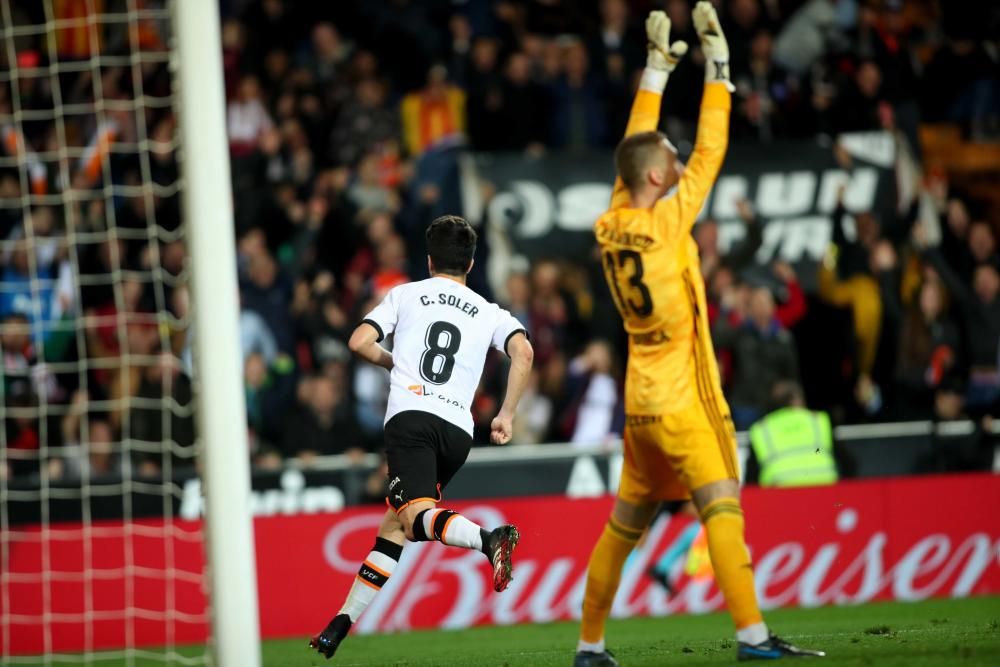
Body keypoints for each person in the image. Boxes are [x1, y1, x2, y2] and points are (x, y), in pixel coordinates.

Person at [575, 6, 823, 665]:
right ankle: (752, 637)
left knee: (623, 525)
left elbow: (632, 152)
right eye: (670, 160)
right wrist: (720, 72)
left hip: (638, 401)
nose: (680, 163)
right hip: (685, 394)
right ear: (658, 179)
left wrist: (655, 73)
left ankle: (589, 646)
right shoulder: (668, 222)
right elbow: (712, 148)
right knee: (721, 505)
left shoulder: (612, 221)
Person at [310, 215, 534, 659]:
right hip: (458, 432)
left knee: (414, 517)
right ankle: (341, 623)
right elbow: (523, 351)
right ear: (469, 263)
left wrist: (395, 363)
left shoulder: (405, 294)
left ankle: (489, 540)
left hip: (412, 419)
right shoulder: (489, 311)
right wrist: (507, 413)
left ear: (429, 260)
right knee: (395, 524)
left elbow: (358, 341)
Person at [746, 382, 838, 487]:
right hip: (825, 485)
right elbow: (846, 460)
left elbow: (751, 477)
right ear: (797, 399)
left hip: (778, 489)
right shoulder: (818, 420)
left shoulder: (761, 429)